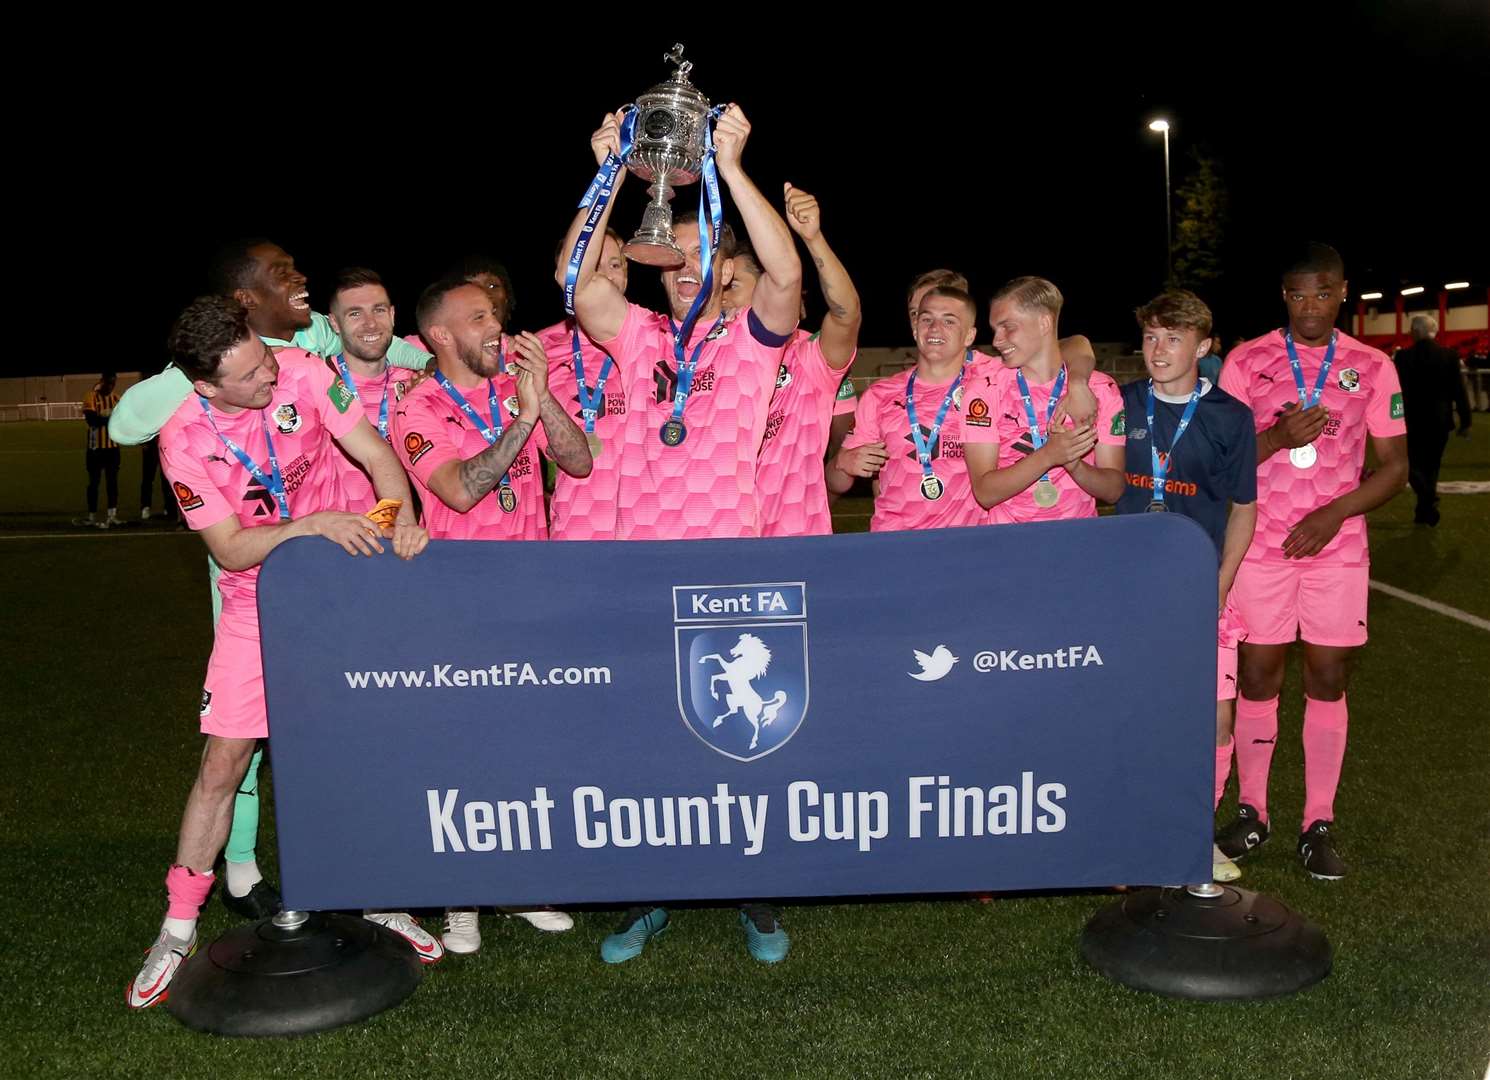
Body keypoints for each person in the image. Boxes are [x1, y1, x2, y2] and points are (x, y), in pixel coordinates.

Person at [128, 297, 433, 1010]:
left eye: (266, 359)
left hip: (337, 591)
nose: (271, 376)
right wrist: (314, 526)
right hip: (253, 605)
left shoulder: (302, 371)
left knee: (358, 745)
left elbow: (379, 459)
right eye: (252, 374)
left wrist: (395, 523)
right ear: (206, 386)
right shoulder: (183, 440)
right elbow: (231, 548)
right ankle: (176, 928)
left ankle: (379, 896)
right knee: (223, 762)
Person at [560, 105, 802, 963]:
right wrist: (611, 174)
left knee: (743, 738)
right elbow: (577, 286)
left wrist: (733, 167)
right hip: (641, 572)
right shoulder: (639, 339)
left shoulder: (752, 341)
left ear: (725, 268)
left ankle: (756, 894)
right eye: (671, 267)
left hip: (728, 568)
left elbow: (786, 276)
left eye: (701, 262)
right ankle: (649, 894)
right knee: (647, 741)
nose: (681, 276)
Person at [1216, 243, 1407, 881]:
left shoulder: (1373, 366)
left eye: (1322, 293)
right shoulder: (1248, 361)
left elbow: (1395, 470)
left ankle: (1317, 822)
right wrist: (1277, 438)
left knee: (1327, 680)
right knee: (1259, 677)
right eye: (1298, 294)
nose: (1310, 306)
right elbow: (1225, 460)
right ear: (1284, 296)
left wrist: (1333, 516)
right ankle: (1252, 810)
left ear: (1343, 293)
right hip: (1261, 546)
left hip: (1337, 550)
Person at [1109, 290, 1257, 882]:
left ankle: (1194, 831)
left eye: (1173, 338)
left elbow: (1243, 509)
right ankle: (1134, 830)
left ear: (1203, 345)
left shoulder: (1230, 416)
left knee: (1215, 720)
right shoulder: (1120, 403)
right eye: (1150, 337)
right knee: (1137, 712)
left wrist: (1221, 583)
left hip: (1202, 590)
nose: (1158, 349)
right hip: (1131, 593)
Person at [726, 184, 862, 536]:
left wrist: (813, 239)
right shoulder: (709, 357)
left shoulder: (807, 358)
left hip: (795, 540)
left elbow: (845, 315)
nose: (722, 298)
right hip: (723, 536)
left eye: (733, 286)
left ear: (769, 287)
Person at [963, 277, 1126, 522]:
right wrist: (1049, 455)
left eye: (1008, 326)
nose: (996, 340)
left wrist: (1074, 465)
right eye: (995, 329)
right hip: (1008, 544)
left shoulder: (1100, 389)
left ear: (1044, 322)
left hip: (1078, 542)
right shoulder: (984, 390)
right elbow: (985, 493)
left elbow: (1113, 490)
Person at [831, 286, 986, 531]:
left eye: (949, 321)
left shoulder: (991, 387)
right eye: (927, 319)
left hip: (970, 543)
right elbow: (836, 482)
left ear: (969, 335)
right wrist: (843, 463)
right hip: (896, 543)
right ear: (915, 329)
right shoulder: (880, 395)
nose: (935, 328)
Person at [1393, 314, 1473, 525]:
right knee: (1432, 467)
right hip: (1440, 421)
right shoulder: (1450, 355)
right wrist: (1466, 421)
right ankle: (1426, 508)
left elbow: (1395, 393)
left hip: (1411, 421)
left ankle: (1427, 502)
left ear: (1416, 332)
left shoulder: (1403, 357)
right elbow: (1459, 391)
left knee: (1411, 465)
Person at [77, 372, 121, 529]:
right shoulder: (90, 396)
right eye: (108, 383)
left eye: (113, 383)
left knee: (112, 483)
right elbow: (91, 420)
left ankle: (112, 515)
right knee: (93, 483)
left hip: (113, 448)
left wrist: (103, 416)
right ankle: (91, 516)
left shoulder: (116, 398)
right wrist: (110, 418)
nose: (110, 386)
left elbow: (121, 421)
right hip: (95, 448)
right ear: (102, 382)